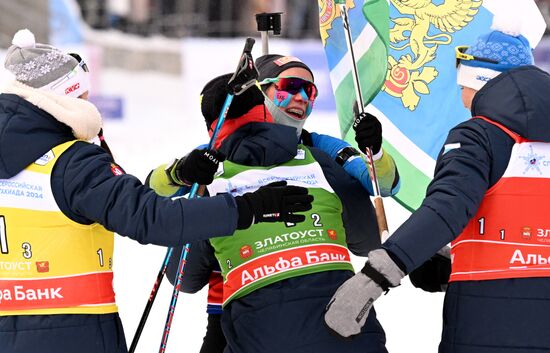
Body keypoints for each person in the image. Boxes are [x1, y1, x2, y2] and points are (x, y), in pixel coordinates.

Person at [0, 29, 313, 353]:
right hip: (74, 334)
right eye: (81, 97)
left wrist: (178, 174)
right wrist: (248, 207)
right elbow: (151, 216)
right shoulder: (72, 163)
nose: (87, 104)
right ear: (63, 99)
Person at [146, 54, 401, 353]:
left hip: (273, 315)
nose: (301, 97)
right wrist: (180, 173)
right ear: (260, 93)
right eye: (288, 87)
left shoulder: (320, 146)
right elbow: (153, 192)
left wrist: (377, 152)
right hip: (231, 309)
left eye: (310, 90)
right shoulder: (215, 153)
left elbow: (382, 184)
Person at [324, 20, 550, 353]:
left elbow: (446, 209)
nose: (462, 99)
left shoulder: (479, 136)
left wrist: (375, 276)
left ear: (480, 81)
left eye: (463, 85)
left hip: (487, 326)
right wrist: (456, 261)